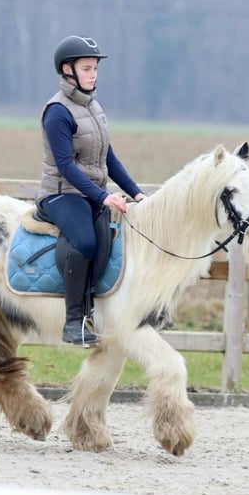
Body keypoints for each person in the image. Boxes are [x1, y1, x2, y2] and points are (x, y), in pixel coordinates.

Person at [35, 35, 146, 346]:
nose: (93, 74)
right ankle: (73, 322)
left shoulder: (94, 107)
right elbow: (66, 166)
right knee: (84, 241)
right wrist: (103, 196)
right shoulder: (57, 112)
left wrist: (136, 193)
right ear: (67, 70)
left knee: (116, 240)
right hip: (61, 193)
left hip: (91, 194)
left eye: (95, 68)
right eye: (87, 68)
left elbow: (109, 157)